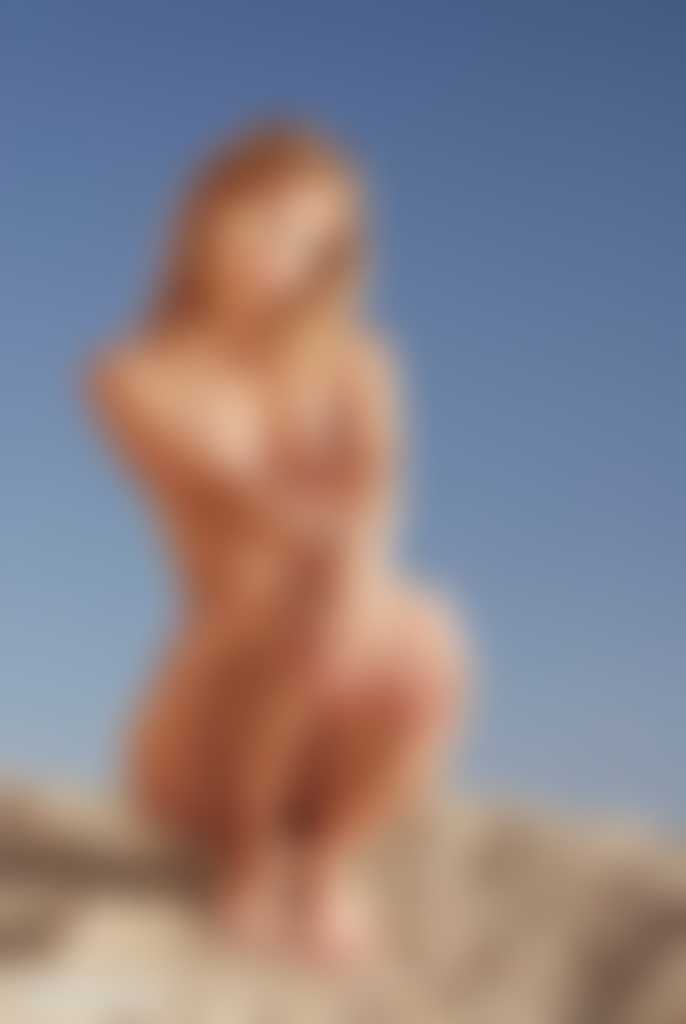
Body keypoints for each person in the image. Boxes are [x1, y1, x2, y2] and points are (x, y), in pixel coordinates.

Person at [86, 122, 466, 965]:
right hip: (209, 730)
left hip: (340, 702)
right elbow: (256, 507)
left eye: (311, 242)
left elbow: (378, 511)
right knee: (318, 588)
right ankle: (253, 859)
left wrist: (352, 586)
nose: (281, 254)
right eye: (265, 220)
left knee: (433, 634)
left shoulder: (363, 363)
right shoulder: (134, 372)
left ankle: (325, 861)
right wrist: (338, 564)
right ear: (205, 214)